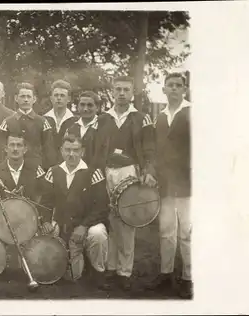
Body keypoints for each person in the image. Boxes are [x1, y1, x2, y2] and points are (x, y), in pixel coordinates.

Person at [93, 75, 157, 291]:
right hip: (107, 172)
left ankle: (124, 272)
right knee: (111, 220)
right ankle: (111, 268)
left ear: (132, 93)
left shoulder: (141, 118)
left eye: (126, 90)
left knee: (127, 221)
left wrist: (147, 171)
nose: (121, 93)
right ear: (112, 91)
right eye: (118, 89)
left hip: (129, 172)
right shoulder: (103, 118)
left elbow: (149, 148)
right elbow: (95, 148)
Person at [40, 133, 110, 290]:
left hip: (87, 224)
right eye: (67, 150)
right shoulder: (53, 171)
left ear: (82, 151)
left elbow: (102, 206)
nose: (71, 154)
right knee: (47, 233)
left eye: (75, 150)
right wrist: (45, 221)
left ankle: (98, 272)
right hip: (63, 223)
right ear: (61, 151)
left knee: (98, 234)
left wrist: (84, 226)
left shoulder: (93, 172)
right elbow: (45, 203)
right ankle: (58, 268)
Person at [149, 72, 192, 298]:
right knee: (166, 230)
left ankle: (188, 277)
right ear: (164, 90)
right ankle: (166, 274)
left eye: (178, 85)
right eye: (170, 85)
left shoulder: (191, 113)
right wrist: (153, 172)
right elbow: (157, 151)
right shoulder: (161, 116)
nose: (174, 89)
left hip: (187, 184)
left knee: (187, 231)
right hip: (165, 184)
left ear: (184, 89)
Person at [0, 133, 46, 231]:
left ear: (25, 149)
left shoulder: (36, 171)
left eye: (19, 145)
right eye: (12, 145)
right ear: (6, 148)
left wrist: (40, 219)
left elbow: (44, 197)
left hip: (28, 222)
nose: (15, 149)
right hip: (2, 222)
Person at [0, 82, 56, 170]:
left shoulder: (43, 122)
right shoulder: (7, 122)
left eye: (29, 97)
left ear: (34, 99)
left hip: (36, 170)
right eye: (22, 96)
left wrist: (44, 169)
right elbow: (1, 150)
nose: (26, 100)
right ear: (16, 98)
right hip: (13, 169)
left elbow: (48, 150)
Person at [43, 80, 77, 165]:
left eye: (62, 95)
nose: (59, 98)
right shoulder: (42, 120)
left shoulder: (76, 121)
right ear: (51, 98)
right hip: (46, 168)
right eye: (56, 95)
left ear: (68, 99)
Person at [64, 91, 101, 166]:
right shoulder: (71, 128)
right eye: (82, 105)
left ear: (97, 108)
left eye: (90, 105)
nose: (85, 109)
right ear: (78, 107)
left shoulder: (103, 126)